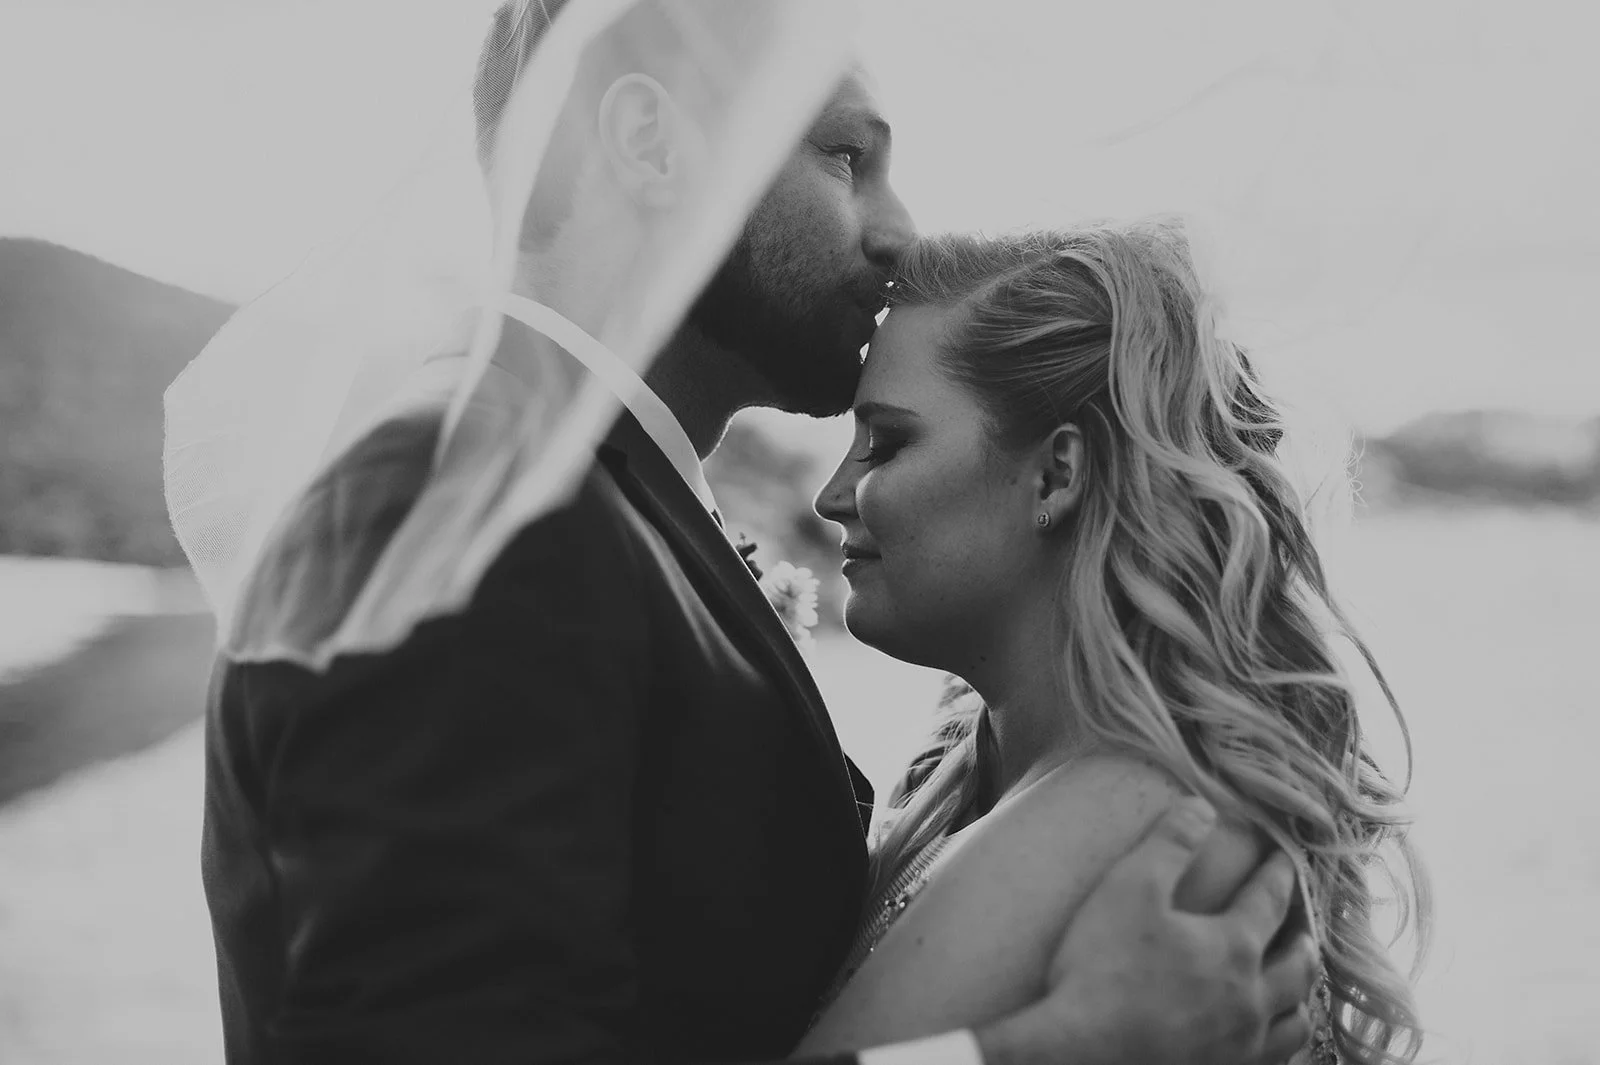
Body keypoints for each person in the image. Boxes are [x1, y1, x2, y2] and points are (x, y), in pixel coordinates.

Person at [180, 4, 1319, 1064]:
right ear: (649, 144)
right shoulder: (467, 500)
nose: (898, 228)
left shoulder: (598, 503)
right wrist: (1051, 1049)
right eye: (845, 157)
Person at [805, 223, 1431, 1064]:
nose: (830, 494)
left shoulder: (1128, 826)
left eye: (886, 442)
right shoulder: (975, 779)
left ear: (1058, 474)